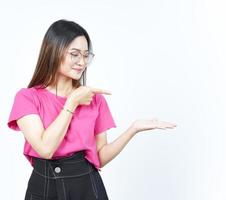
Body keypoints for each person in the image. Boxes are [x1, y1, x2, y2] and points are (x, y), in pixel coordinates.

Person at [7, 19, 176, 200]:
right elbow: (45, 149)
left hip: (87, 187)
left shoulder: (95, 100)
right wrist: (72, 102)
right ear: (53, 52)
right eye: (75, 54)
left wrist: (132, 129)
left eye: (86, 55)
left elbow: (99, 157)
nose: (82, 62)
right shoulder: (27, 97)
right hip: (45, 189)